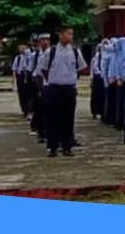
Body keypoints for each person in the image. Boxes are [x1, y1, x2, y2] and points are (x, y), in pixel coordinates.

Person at [39, 25, 88, 157]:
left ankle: (67, 146)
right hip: (54, 88)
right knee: (53, 118)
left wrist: (71, 80)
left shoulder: (75, 51)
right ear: (60, 35)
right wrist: (52, 80)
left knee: (68, 118)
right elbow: (43, 68)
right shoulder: (52, 51)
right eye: (68, 34)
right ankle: (53, 146)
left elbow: (81, 68)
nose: (70, 37)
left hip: (69, 88)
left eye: (71, 34)